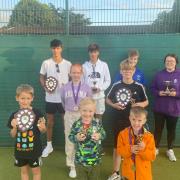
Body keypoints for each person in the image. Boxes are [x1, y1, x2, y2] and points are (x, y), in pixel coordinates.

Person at [106, 60, 148, 180]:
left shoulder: (139, 86)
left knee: (134, 147)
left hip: (135, 124)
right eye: (124, 70)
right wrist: (114, 105)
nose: (127, 72)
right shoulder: (116, 85)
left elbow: (147, 101)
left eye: (129, 70)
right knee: (117, 147)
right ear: (121, 71)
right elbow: (108, 99)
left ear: (133, 71)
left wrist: (138, 104)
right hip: (118, 120)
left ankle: (132, 173)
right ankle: (115, 172)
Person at [40, 39, 71, 157]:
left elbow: (73, 78)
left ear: (61, 49)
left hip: (64, 99)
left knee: (65, 122)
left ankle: (68, 146)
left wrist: (67, 87)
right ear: (50, 49)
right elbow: (41, 77)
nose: (56, 50)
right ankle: (49, 146)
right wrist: (45, 87)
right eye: (53, 48)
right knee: (49, 122)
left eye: (58, 48)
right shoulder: (46, 63)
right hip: (50, 98)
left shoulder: (68, 64)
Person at [7, 84, 46, 180]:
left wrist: (42, 127)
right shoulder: (14, 115)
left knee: (36, 172)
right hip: (20, 151)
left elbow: (43, 131)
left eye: (28, 98)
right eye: (22, 98)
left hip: (34, 151)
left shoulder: (38, 113)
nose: (25, 101)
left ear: (32, 98)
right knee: (24, 172)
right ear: (17, 98)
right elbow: (12, 135)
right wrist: (14, 127)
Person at [60, 64, 92, 178]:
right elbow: (63, 101)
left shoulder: (87, 87)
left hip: (82, 115)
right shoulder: (64, 87)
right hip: (69, 114)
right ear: (70, 73)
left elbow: (89, 102)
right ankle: (71, 165)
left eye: (78, 72)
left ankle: (83, 162)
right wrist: (70, 111)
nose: (76, 75)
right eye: (73, 72)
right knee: (70, 139)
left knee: (83, 138)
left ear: (82, 73)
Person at [151, 53, 180, 161]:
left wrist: (176, 94)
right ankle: (155, 148)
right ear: (164, 62)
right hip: (159, 108)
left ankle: (170, 150)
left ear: (176, 62)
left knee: (171, 130)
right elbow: (152, 88)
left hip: (174, 109)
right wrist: (159, 93)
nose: (169, 63)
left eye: (172, 61)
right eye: (167, 61)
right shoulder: (159, 75)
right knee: (158, 129)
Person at [69, 97, 106, 180]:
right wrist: (76, 137)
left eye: (90, 111)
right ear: (80, 110)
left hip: (95, 160)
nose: (87, 114)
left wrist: (99, 136)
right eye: (84, 110)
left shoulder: (97, 123)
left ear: (94, 111)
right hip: (80, 161)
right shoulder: (76, 124)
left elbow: (104, 134)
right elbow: (70, 137)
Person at [117, 106, 156, 180]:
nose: (136, 123)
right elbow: (120, 151)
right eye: (133, 119)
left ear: (144, 121)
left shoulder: (149, 136)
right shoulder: (122, 134)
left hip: (143, 175)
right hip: (128, 173)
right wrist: (129, 149)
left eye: (139, 120)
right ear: (129, 118)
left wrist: (144, 149)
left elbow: (152, 157)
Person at [83, 43, 111, 121]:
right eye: (91, 52)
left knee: (99, 118)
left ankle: (98, 133)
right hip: (88, 97)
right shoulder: (84, 66)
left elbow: (108, 80)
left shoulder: (104, 65)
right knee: (88, 118)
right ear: (89, 53)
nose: (93, 54)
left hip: (100, 97)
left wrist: (100, 88)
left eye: (95, 52)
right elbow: (82, 82)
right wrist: (88, 89)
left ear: (98, 52)